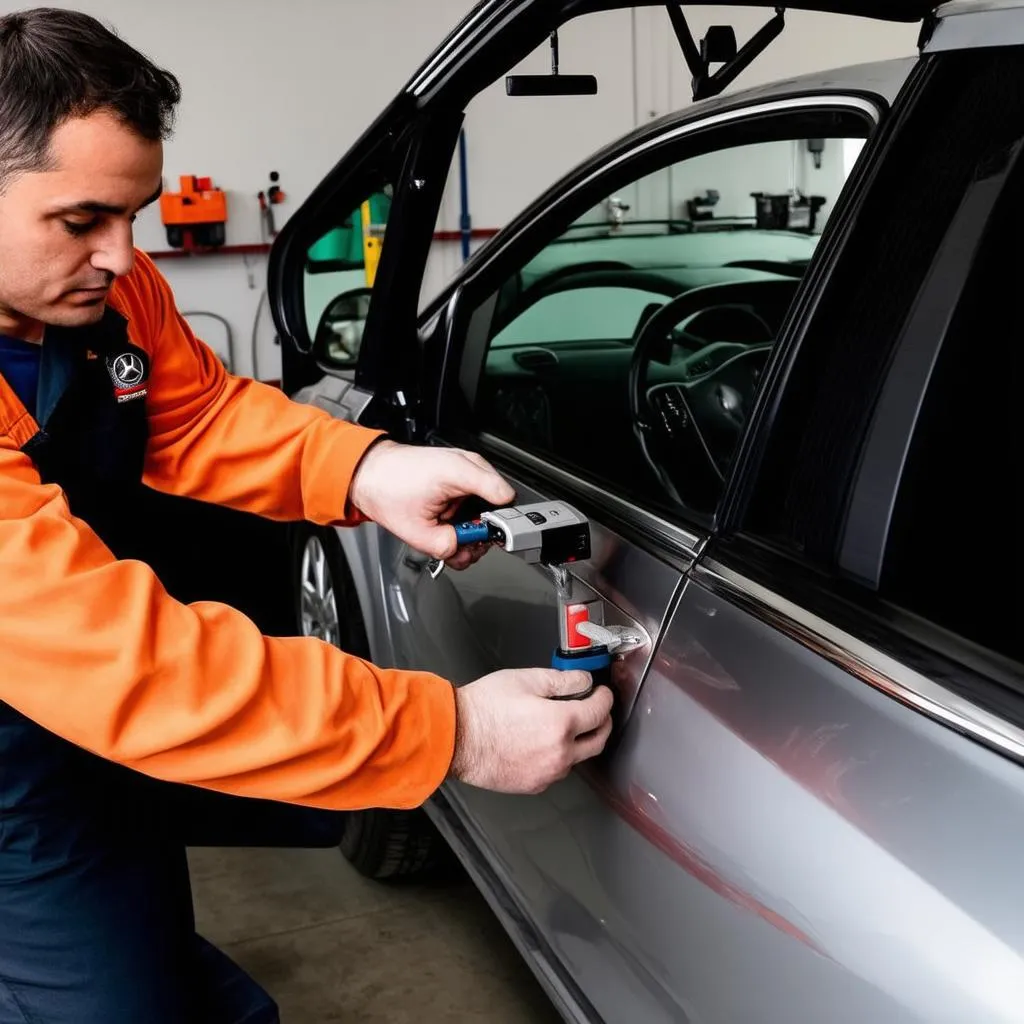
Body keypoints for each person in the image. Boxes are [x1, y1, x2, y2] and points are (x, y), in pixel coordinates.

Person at [0, 9, 614, 1023]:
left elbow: (192, 413)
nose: (124, 254)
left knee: (139, 950)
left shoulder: (113, 289)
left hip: (80, 716)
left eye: (137, 213)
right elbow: (129, 668)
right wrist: (448, 730)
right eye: (82, 221)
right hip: (22, 760)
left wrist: (366, 471)